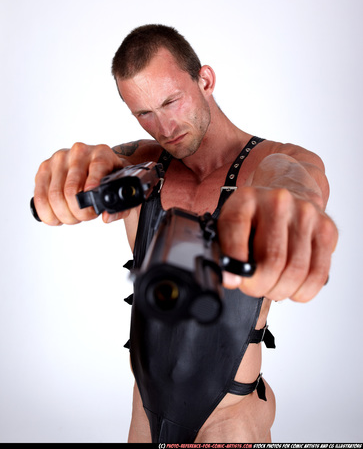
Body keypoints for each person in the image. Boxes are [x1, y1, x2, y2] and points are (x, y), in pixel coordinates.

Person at [33, 24, 338, 443]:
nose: (162, 125)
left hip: (228, 419)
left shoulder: (272, 161)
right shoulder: (140, 164)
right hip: (145, 410)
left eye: (171, 101)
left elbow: (296, 176)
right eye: (143, 113)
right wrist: (73, 170)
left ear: (205, 80)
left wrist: (294, 201)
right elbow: (99, 162)